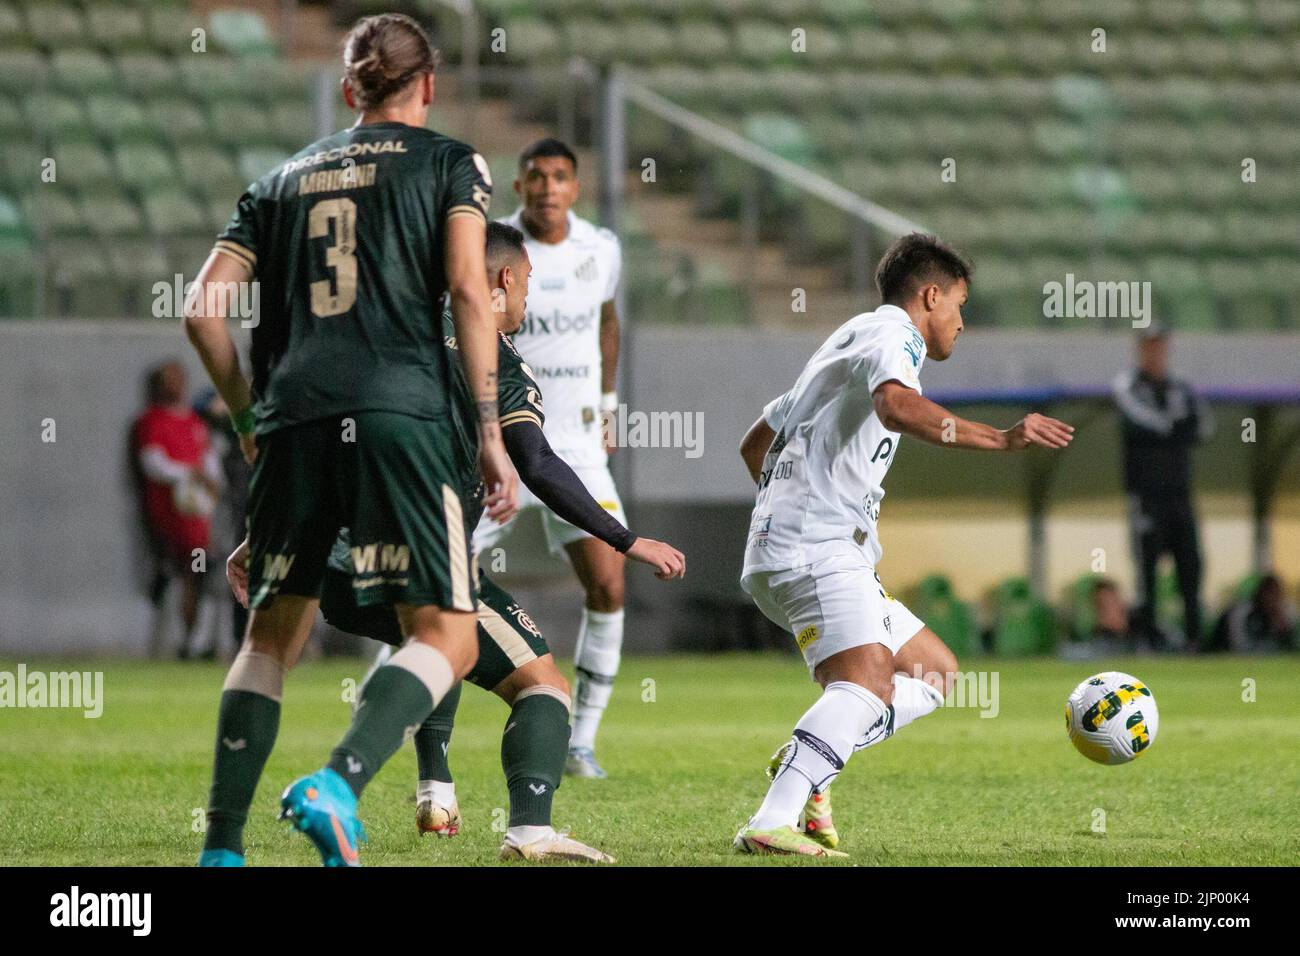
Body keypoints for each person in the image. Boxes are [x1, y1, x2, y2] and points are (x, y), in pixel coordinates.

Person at [227, 223, 685, 862]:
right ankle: (521, 827)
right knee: (542, 685)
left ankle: (420, 793)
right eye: (527, 283)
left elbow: (315, 430)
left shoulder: (388, 329)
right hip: (413, 543)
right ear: (502, 280)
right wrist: (624, 537)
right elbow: (537, 461)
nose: (527, 300)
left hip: (327, 562)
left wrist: (264, 528)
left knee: (431, 646)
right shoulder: (494, 353)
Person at [184, 13, 517, 867]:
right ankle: (338, 784)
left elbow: (202, 313)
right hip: (397, 415)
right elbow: (472, 296)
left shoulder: (278, 181)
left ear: (347, 90)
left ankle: (221, 849)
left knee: (269, 640)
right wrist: (488, 430)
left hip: (292, 418)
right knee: (449, 633)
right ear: (429, 86)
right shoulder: (450, 162)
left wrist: (250, 418)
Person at [733, 234, 1075, 857]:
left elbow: (755, 441)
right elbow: (895, 407)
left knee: (933, 671)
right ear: (931, 295)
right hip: (818, 545)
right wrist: (1001, 440)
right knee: (867, 685)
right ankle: (773, 813)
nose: (961, 323)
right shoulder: (894, 336)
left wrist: (785, 505)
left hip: (804, 546)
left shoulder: (839, 346)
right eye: (960, 305)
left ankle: (812, 762)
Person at [476, 138, 629, 778]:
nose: (546, 188)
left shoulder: (602, 250)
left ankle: (581, 741)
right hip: (506, 443)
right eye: (534, 176)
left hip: (577, 447)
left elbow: (608, 323)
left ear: (575, 188)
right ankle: (406, 714)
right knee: (436, 574)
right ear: (519, 186)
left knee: (610, 583)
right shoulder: (494, 252)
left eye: (559, 177)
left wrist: (610, 400)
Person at [1112, 325, 1212, 649]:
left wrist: (1175, 429)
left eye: (1161, 346)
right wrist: (1175, 427)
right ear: (1140, 349)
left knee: (1191, 564)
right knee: (1147, 569)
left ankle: (1195, 640)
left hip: (1180, 495)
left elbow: (1204, 427)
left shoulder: (1180, 388)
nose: (1156, 352)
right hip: (1146, 496)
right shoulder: (1128, 386)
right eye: (1150, 346)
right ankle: (1148, 639)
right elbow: (1144, 422)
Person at [130, 360, 222, 660]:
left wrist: (210, 481)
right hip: (166, 515)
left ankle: (194, 642)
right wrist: (188, 474)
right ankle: (156, 643)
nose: (175, 385)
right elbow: (152, 464)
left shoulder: (193, 422)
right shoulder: (151, 421)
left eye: (178, 379)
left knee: (200, 572)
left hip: (197, 516)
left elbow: (208, 460)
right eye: (169, 380)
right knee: (169, 574)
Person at [1206, 574, 1297, 653]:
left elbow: (1290, 646)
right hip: (1221, 653)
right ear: (1262, 594)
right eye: (1271, 594)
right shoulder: (1242, 612)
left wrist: (1283, 631)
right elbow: (1240, 646)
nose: (1275, 599)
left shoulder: (1282, 612)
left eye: (1278, 595)